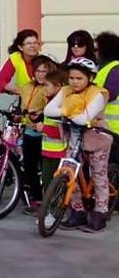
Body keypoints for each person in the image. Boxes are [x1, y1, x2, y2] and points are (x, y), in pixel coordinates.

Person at [44, 57, 112, 233]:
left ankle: (101, 212)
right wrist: (68, 112)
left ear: (89, 78)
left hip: (96, 140)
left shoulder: (98, 93)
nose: (74, 82)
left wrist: (64, 113)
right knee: (69, 173)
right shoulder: (65, 91)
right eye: (72, 77)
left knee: (98, 174)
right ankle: (77, 211)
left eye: (79, 78)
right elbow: (48, 110)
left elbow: (84, 118)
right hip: (74, 139)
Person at [15, 54, 58, 214]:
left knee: (46, 169)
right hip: (28, 131)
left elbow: (51, 108)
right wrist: (19, 115)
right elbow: (21, 105)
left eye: (44, 71)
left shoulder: (51, 88)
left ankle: (49, 199)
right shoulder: (26, 86)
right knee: (30, 166)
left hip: (45, 134)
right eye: (38, 71)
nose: (40, 74)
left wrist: (39, 114)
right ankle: (36, 198)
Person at [40, 69, 68, 193]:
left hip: (59, 153)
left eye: (47, 85)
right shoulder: (50, 102)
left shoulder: (60, 105)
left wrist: (44, 128)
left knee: (54, 184)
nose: (44, 88)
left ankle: (53, 208)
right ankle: (47, 207)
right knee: (47, 182)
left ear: (58, 87)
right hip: (48, 151)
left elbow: (63, 133)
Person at [0, 29, 40, 94]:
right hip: (24, 99)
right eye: (28, 43)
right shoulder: (15, 58)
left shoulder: (45, 59)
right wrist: (8, 87)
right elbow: (0, 81)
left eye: (35, 43)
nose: (33, 46)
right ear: (20, 47)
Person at [94, 31, 119, 148]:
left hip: (112, 129)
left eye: (97, 49)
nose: (95, 53)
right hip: (107, 127)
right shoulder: (106, 67)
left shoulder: (115, 68)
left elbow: (109, 94)